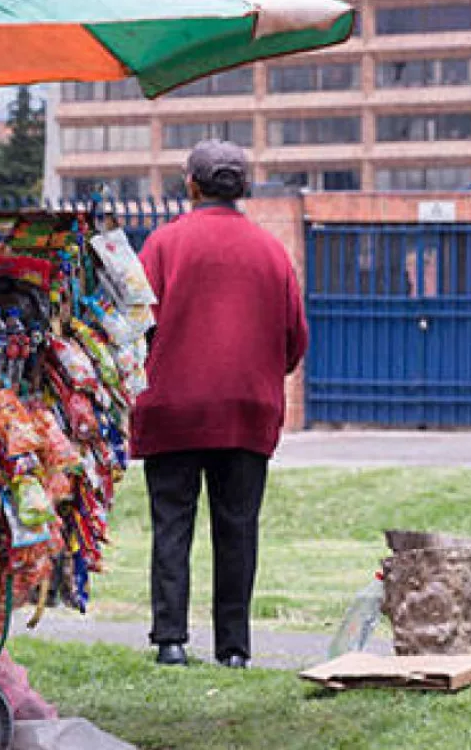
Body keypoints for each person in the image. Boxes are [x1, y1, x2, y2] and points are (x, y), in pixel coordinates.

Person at [132, 140, 308, 669]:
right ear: (246, 188)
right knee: (237, 528)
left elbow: (134, 320)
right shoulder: (272, 251)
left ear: (191, 184)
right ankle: (233, 649)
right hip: (246, 408)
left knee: (172, 523)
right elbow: (294, 338)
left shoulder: (163, 245)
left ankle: (171, 640)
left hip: (173, 406)